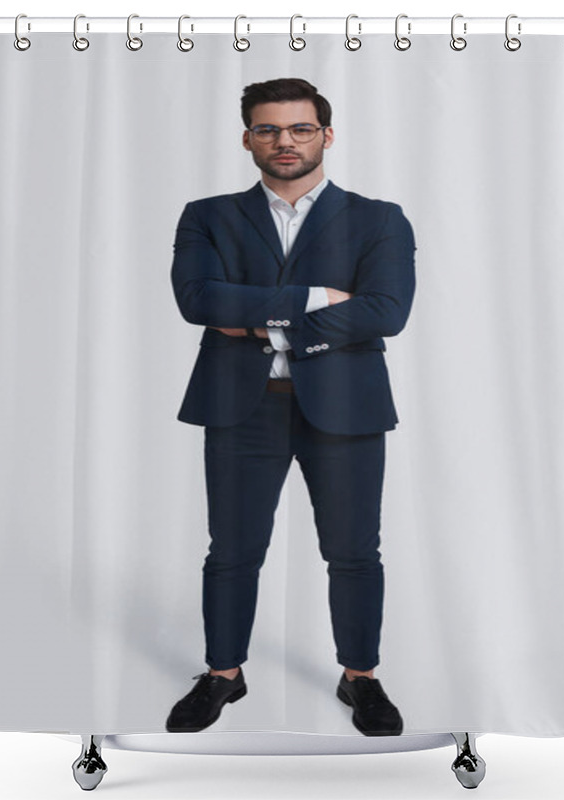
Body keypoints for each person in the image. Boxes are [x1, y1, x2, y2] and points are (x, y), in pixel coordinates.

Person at [166, 78, 416, 737]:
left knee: (355, 551)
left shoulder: (379, 219)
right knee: (231, 550)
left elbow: (388, 311)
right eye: (270, 129)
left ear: (326, 135)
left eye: (301, 129)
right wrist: (320, 301)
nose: (286, 141)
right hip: (241, 407)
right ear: (248, 137)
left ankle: (359, 676)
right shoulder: (207, 216)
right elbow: (197, 300)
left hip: (347, 407)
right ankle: (224, 674)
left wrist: (258, 320)